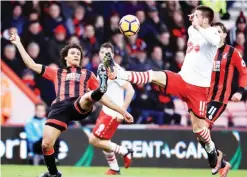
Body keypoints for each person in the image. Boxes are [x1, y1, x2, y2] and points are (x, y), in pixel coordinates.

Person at [105, 5, 221, 170]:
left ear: (204, 19)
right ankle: (119, 74)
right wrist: (196, 24)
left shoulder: (213, 33)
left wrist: (198, 26)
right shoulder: (192, 30)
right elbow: (195, 28)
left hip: (199, 89)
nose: (192, 17)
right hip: (182, 79)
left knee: (199, 130)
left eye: (196, 15)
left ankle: (210, 149)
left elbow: (215, 41)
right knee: (153, 75)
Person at [10, 32, 133, 177]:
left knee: (88, 97)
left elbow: (105, 99)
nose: (76, 55)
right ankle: (54, 173)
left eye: (78, 54)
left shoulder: (88, 74)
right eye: (73, 53)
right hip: (59, 108)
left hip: (78, 104)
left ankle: (100, 88)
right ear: (66, 57)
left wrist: (122, 111)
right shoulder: (56, 72)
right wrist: (18, 43)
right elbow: (31, 64)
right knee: (46, 144)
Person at [205, 22, 247, 177]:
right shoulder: (205, 51)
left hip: (219, 98)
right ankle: (222, 163)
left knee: (202, 126)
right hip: (203, 97)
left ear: (224, 34)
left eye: (218, 32)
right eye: (212, 32)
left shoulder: (232, 52)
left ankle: (219, 158)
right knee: (199, 131)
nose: (215, 35)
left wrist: (240, 91)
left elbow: (244, 72)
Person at [89, 43, 135, 175]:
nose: (104, 55)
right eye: (102, 52)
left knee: (93, 140)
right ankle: (114, 168)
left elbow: (130, 90)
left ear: (113, 56)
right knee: (104, 141)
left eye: (107, 53)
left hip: (114, 113)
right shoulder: (101, 67)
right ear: (99, 54)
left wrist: (123, 111)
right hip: (106, 110)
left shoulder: (115, 70)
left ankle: (125, 151)